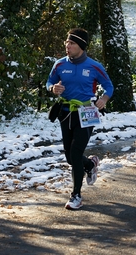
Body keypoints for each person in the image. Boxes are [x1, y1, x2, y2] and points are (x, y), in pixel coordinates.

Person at [46, 28, 114, 210]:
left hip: (86, 112)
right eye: (67, 43)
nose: (68, 46)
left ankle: (76, 195)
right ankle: (90, 164)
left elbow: (109, 86)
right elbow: (49, 82)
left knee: (75, 152)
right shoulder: (59, 65)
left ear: (81, 46)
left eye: (72, 43)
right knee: (70, 156)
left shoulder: (94, 66)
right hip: (65, 112)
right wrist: (53, 89)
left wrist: (104, 99)